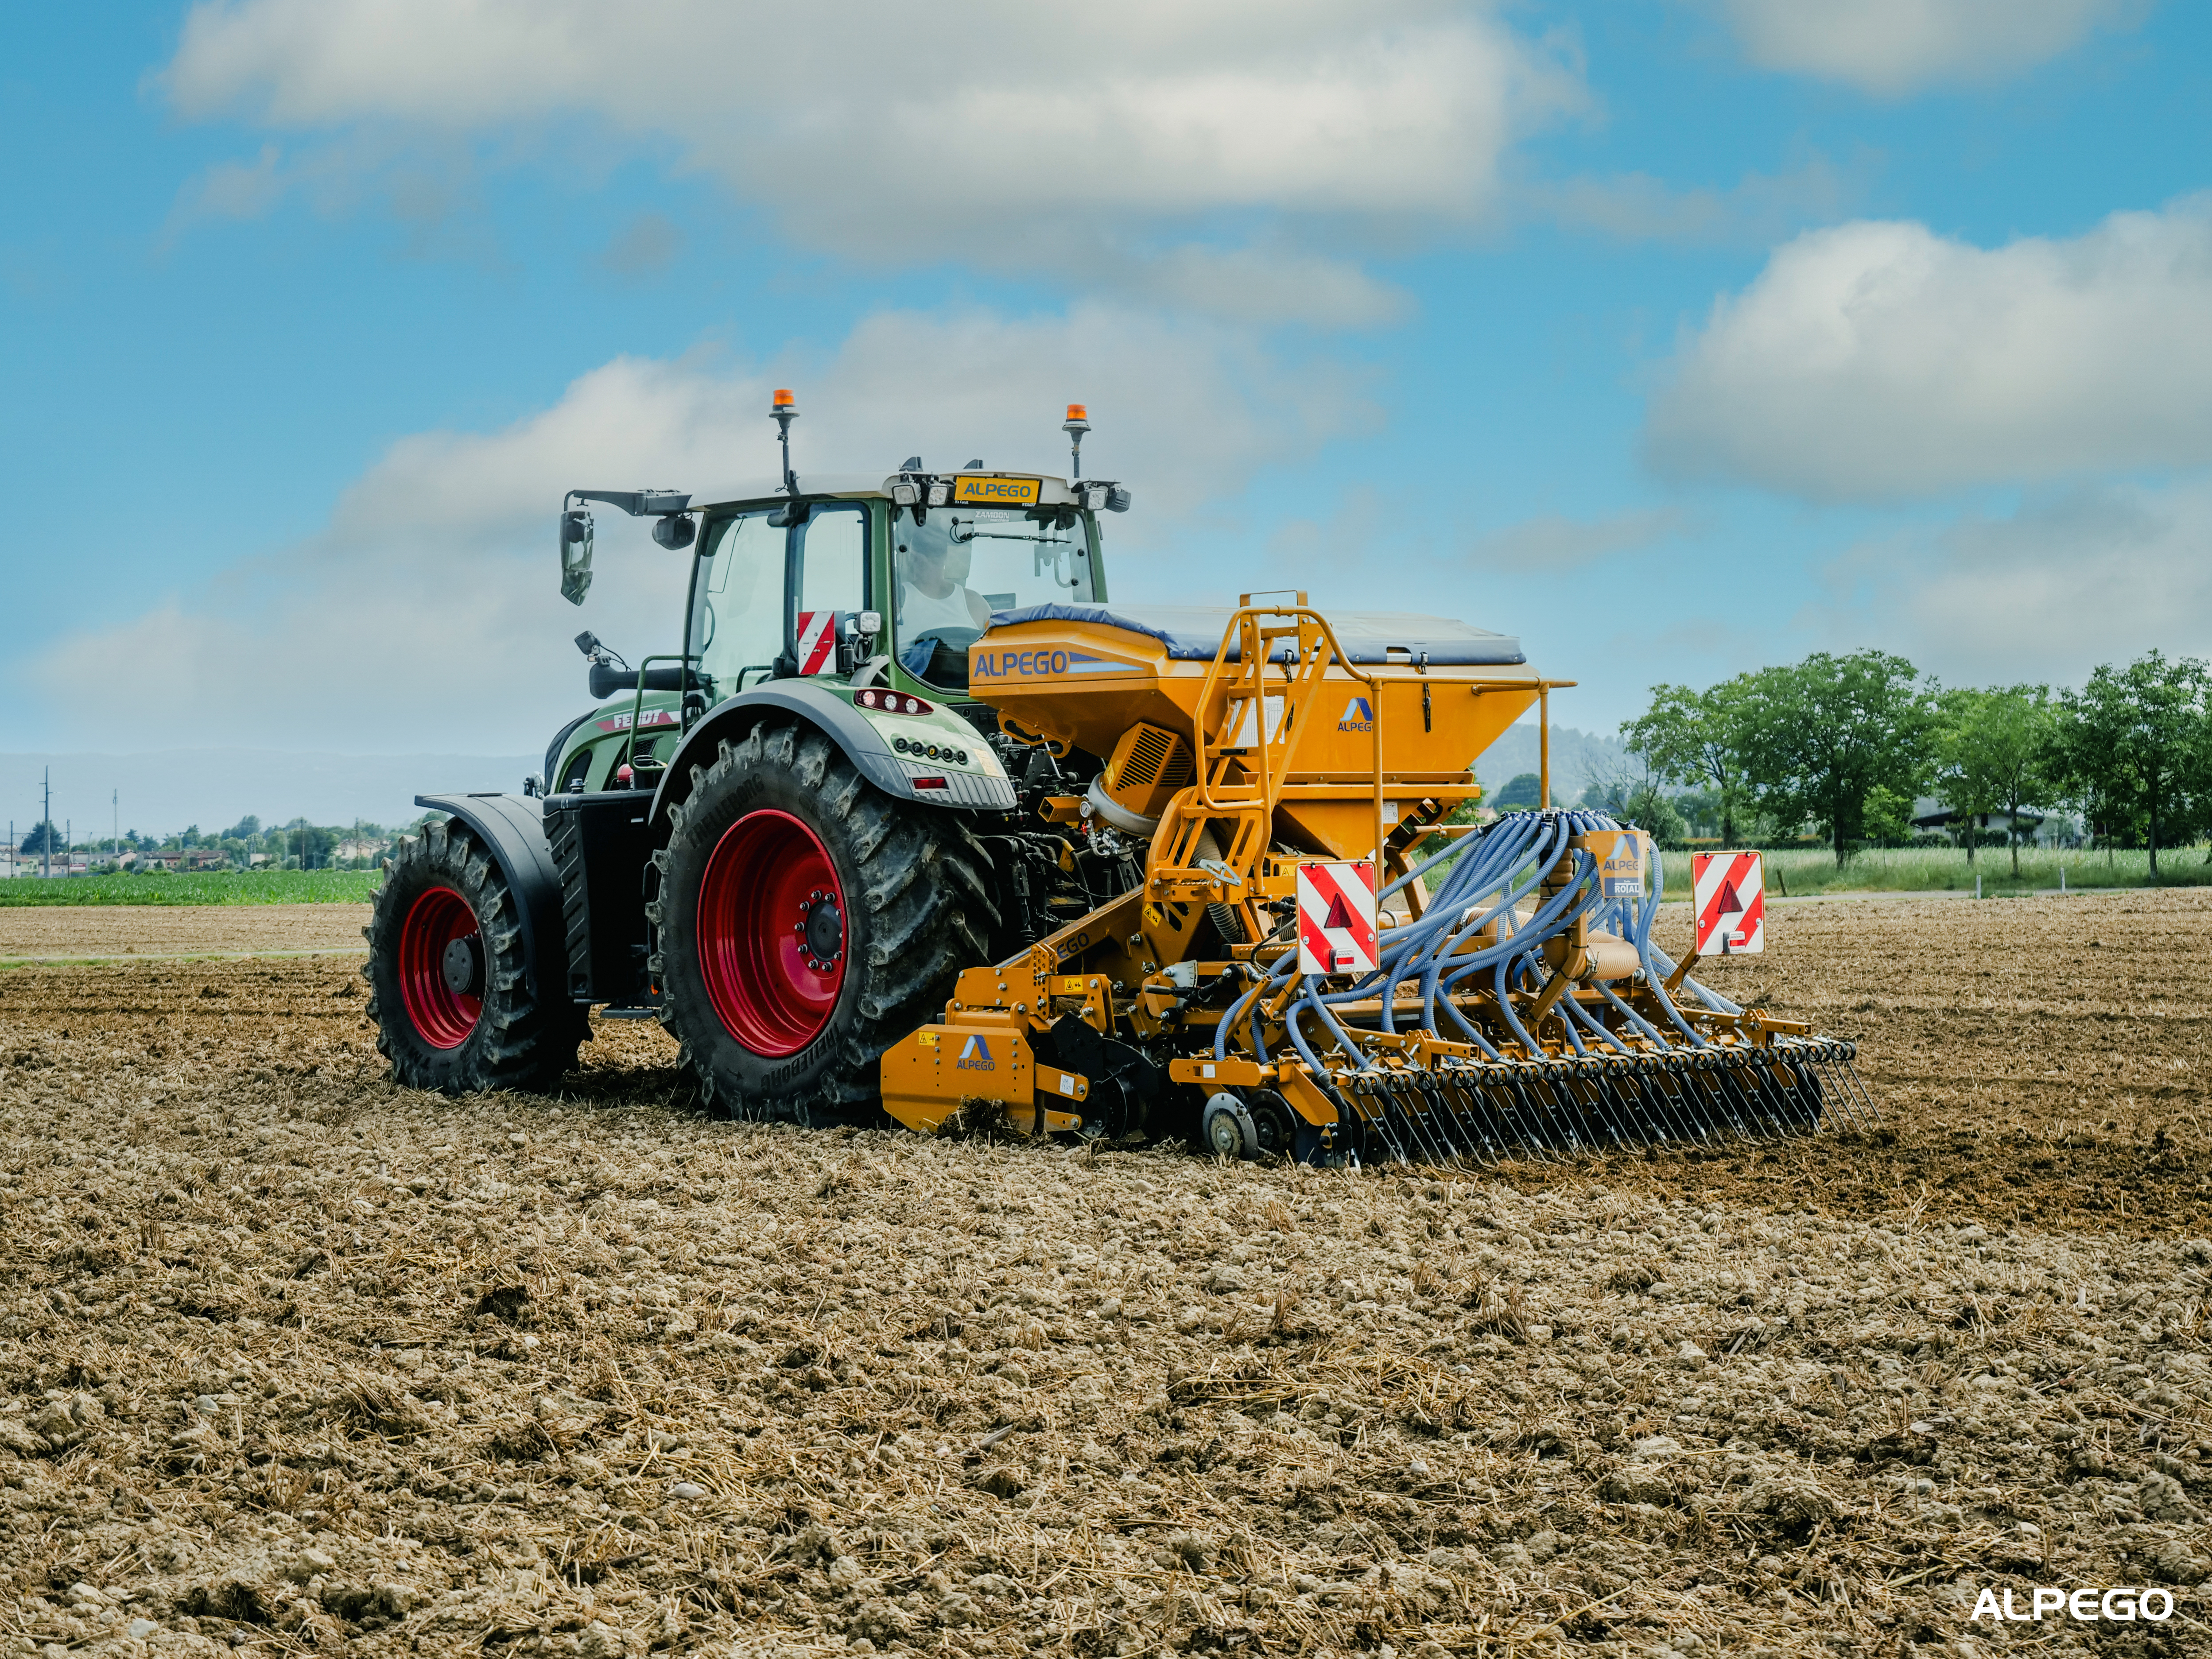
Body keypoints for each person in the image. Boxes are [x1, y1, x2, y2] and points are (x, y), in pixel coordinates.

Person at [895, 518, 993, 639]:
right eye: (926, 552)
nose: (928, 561)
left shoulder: (976, 603)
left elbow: (995, 648)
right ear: (912, 557)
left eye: (935, 552)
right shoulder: (897, 598)